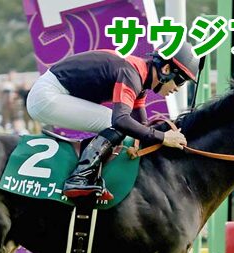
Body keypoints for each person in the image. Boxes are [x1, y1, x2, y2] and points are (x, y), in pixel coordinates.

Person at [26, 44, 197, 199]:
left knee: (124, 126)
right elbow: (121, 121)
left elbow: (141, 127)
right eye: (180, 81)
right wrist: (163, 137)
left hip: (53, 93)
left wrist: (165, 137)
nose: (178, 88)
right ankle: (79, 178)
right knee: (117, 122)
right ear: (166, 69)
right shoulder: (131, 73)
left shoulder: (141, 80)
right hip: (46, 96)